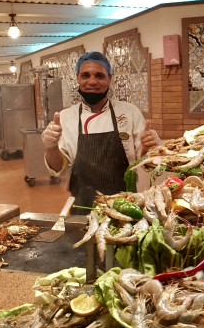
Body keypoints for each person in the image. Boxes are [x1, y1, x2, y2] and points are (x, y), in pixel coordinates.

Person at [41, 51, 161, 213]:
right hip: (83, 205)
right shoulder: (66, 117)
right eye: (86, 75)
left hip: (126, 203)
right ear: (77, 78)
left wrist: (149, 147)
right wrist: (51, 147)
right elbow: (57, 168)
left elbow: (146, 162)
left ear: (109, 79)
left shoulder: (129, 112)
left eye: (99, 76)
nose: (92, 81)